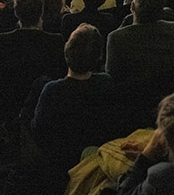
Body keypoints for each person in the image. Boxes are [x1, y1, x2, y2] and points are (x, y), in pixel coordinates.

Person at [31, 24, 118, 177]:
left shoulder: (51, 91)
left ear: (67, 51)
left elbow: (39, 130)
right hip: (97, 157)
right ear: (98, 56)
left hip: (61, 162)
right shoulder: (106, 82)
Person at [0, 0, 66, 126]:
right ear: (40, 13)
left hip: (9, 111)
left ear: (16, 13)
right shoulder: (56, 41)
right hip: (46, 112)